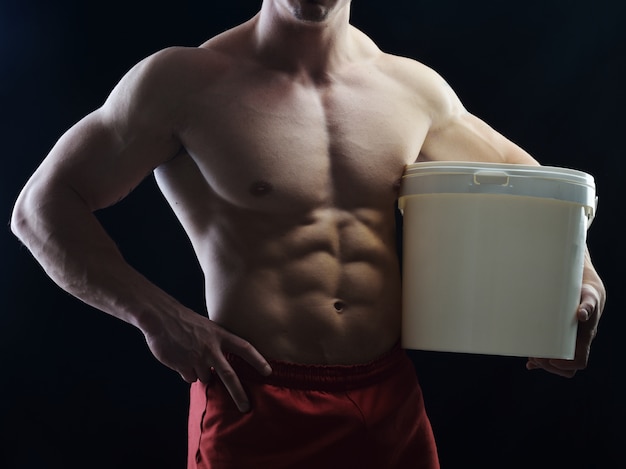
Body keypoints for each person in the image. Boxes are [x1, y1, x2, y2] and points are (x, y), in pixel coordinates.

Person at [11, 1, 606, 468]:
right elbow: (39, 209)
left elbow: (543, 194)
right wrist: (156, 315)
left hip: (389, 405)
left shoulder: (410, 89)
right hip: (256, 403)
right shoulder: (181, 83)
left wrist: (582, 282)